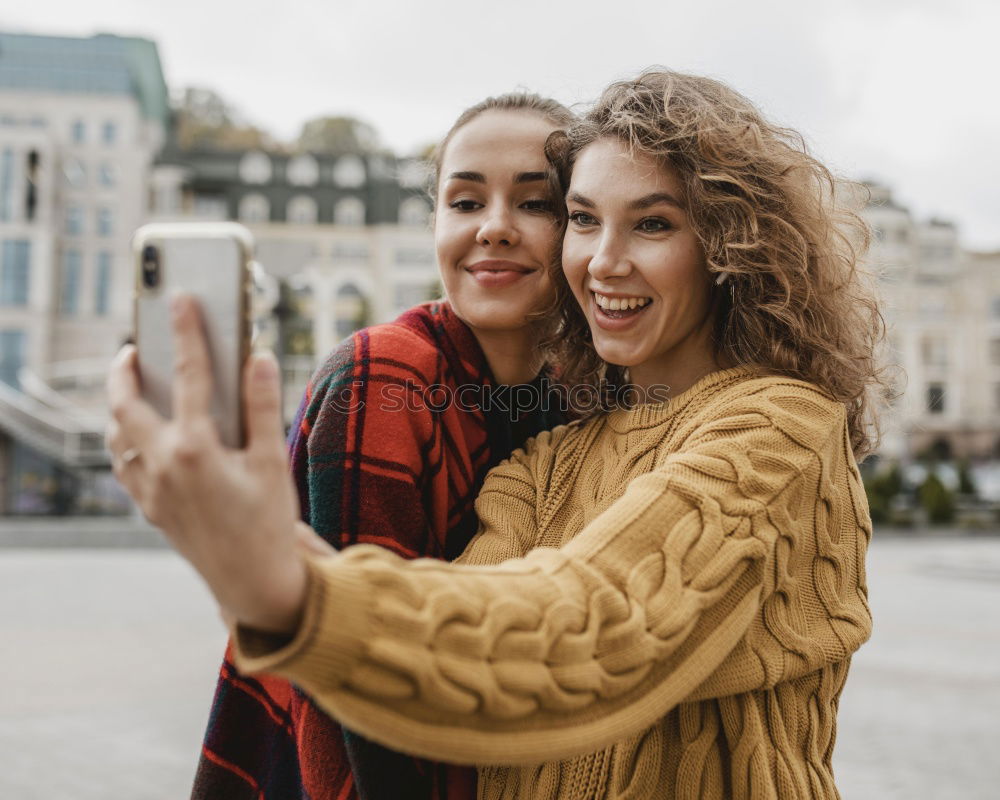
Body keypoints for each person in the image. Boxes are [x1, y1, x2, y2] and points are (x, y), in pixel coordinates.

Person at [108, 69, 885, 799]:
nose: (603, 261)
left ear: (730, 246)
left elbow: (582, 631)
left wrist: (276, 580)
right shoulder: (551, 451)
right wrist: (260, 543)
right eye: (583, 219)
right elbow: (466, 634)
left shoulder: (780, 430)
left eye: (652, 223)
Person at [187, 93, 574, 800]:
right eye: (463, 202)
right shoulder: (384, 374)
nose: (493, 228)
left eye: (535, 204)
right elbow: (360, 685)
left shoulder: (570, 398)